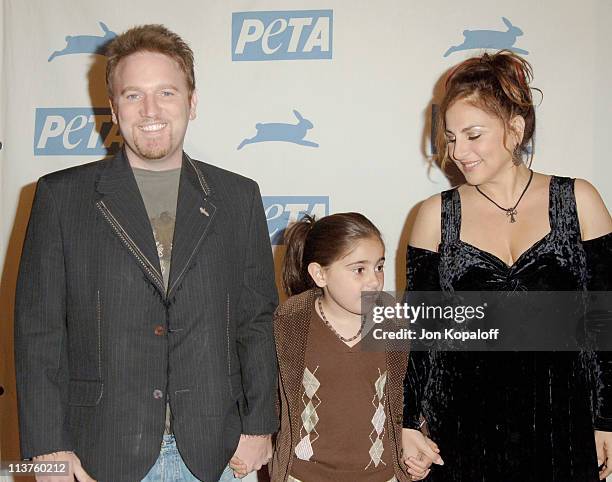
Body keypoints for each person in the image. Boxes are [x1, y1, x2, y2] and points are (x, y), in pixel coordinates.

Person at [14, 24, 278, 482]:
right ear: (114, 108)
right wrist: (46, 448)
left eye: (167, 93)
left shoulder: (238, 198)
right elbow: (39, 332)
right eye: (133, 95)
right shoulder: (61, 197)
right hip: (97, 455)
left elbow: (256, 320)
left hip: (219, 455)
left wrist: (260, 425)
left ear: (192, 103)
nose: (151, 110)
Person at [401, 50, 612, 481]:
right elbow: (419, 332)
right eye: (451, 137)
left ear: (515, 129)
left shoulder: (579, 201)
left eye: (473, 135)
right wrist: (406, 423)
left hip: (562, 421)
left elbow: (604, 321)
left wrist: (607, 418)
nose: (458, 151)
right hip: (460, 427)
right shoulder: (433, 216)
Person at [244, 213, 441, 482]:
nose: (374, 281)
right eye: (359, 269)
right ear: (320, 274)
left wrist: (417, 442)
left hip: (382, 476)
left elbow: (409, 395)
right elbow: (271, 398)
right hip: (303, 476)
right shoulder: (289, 323)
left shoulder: (395, 322)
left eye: (379, 267)